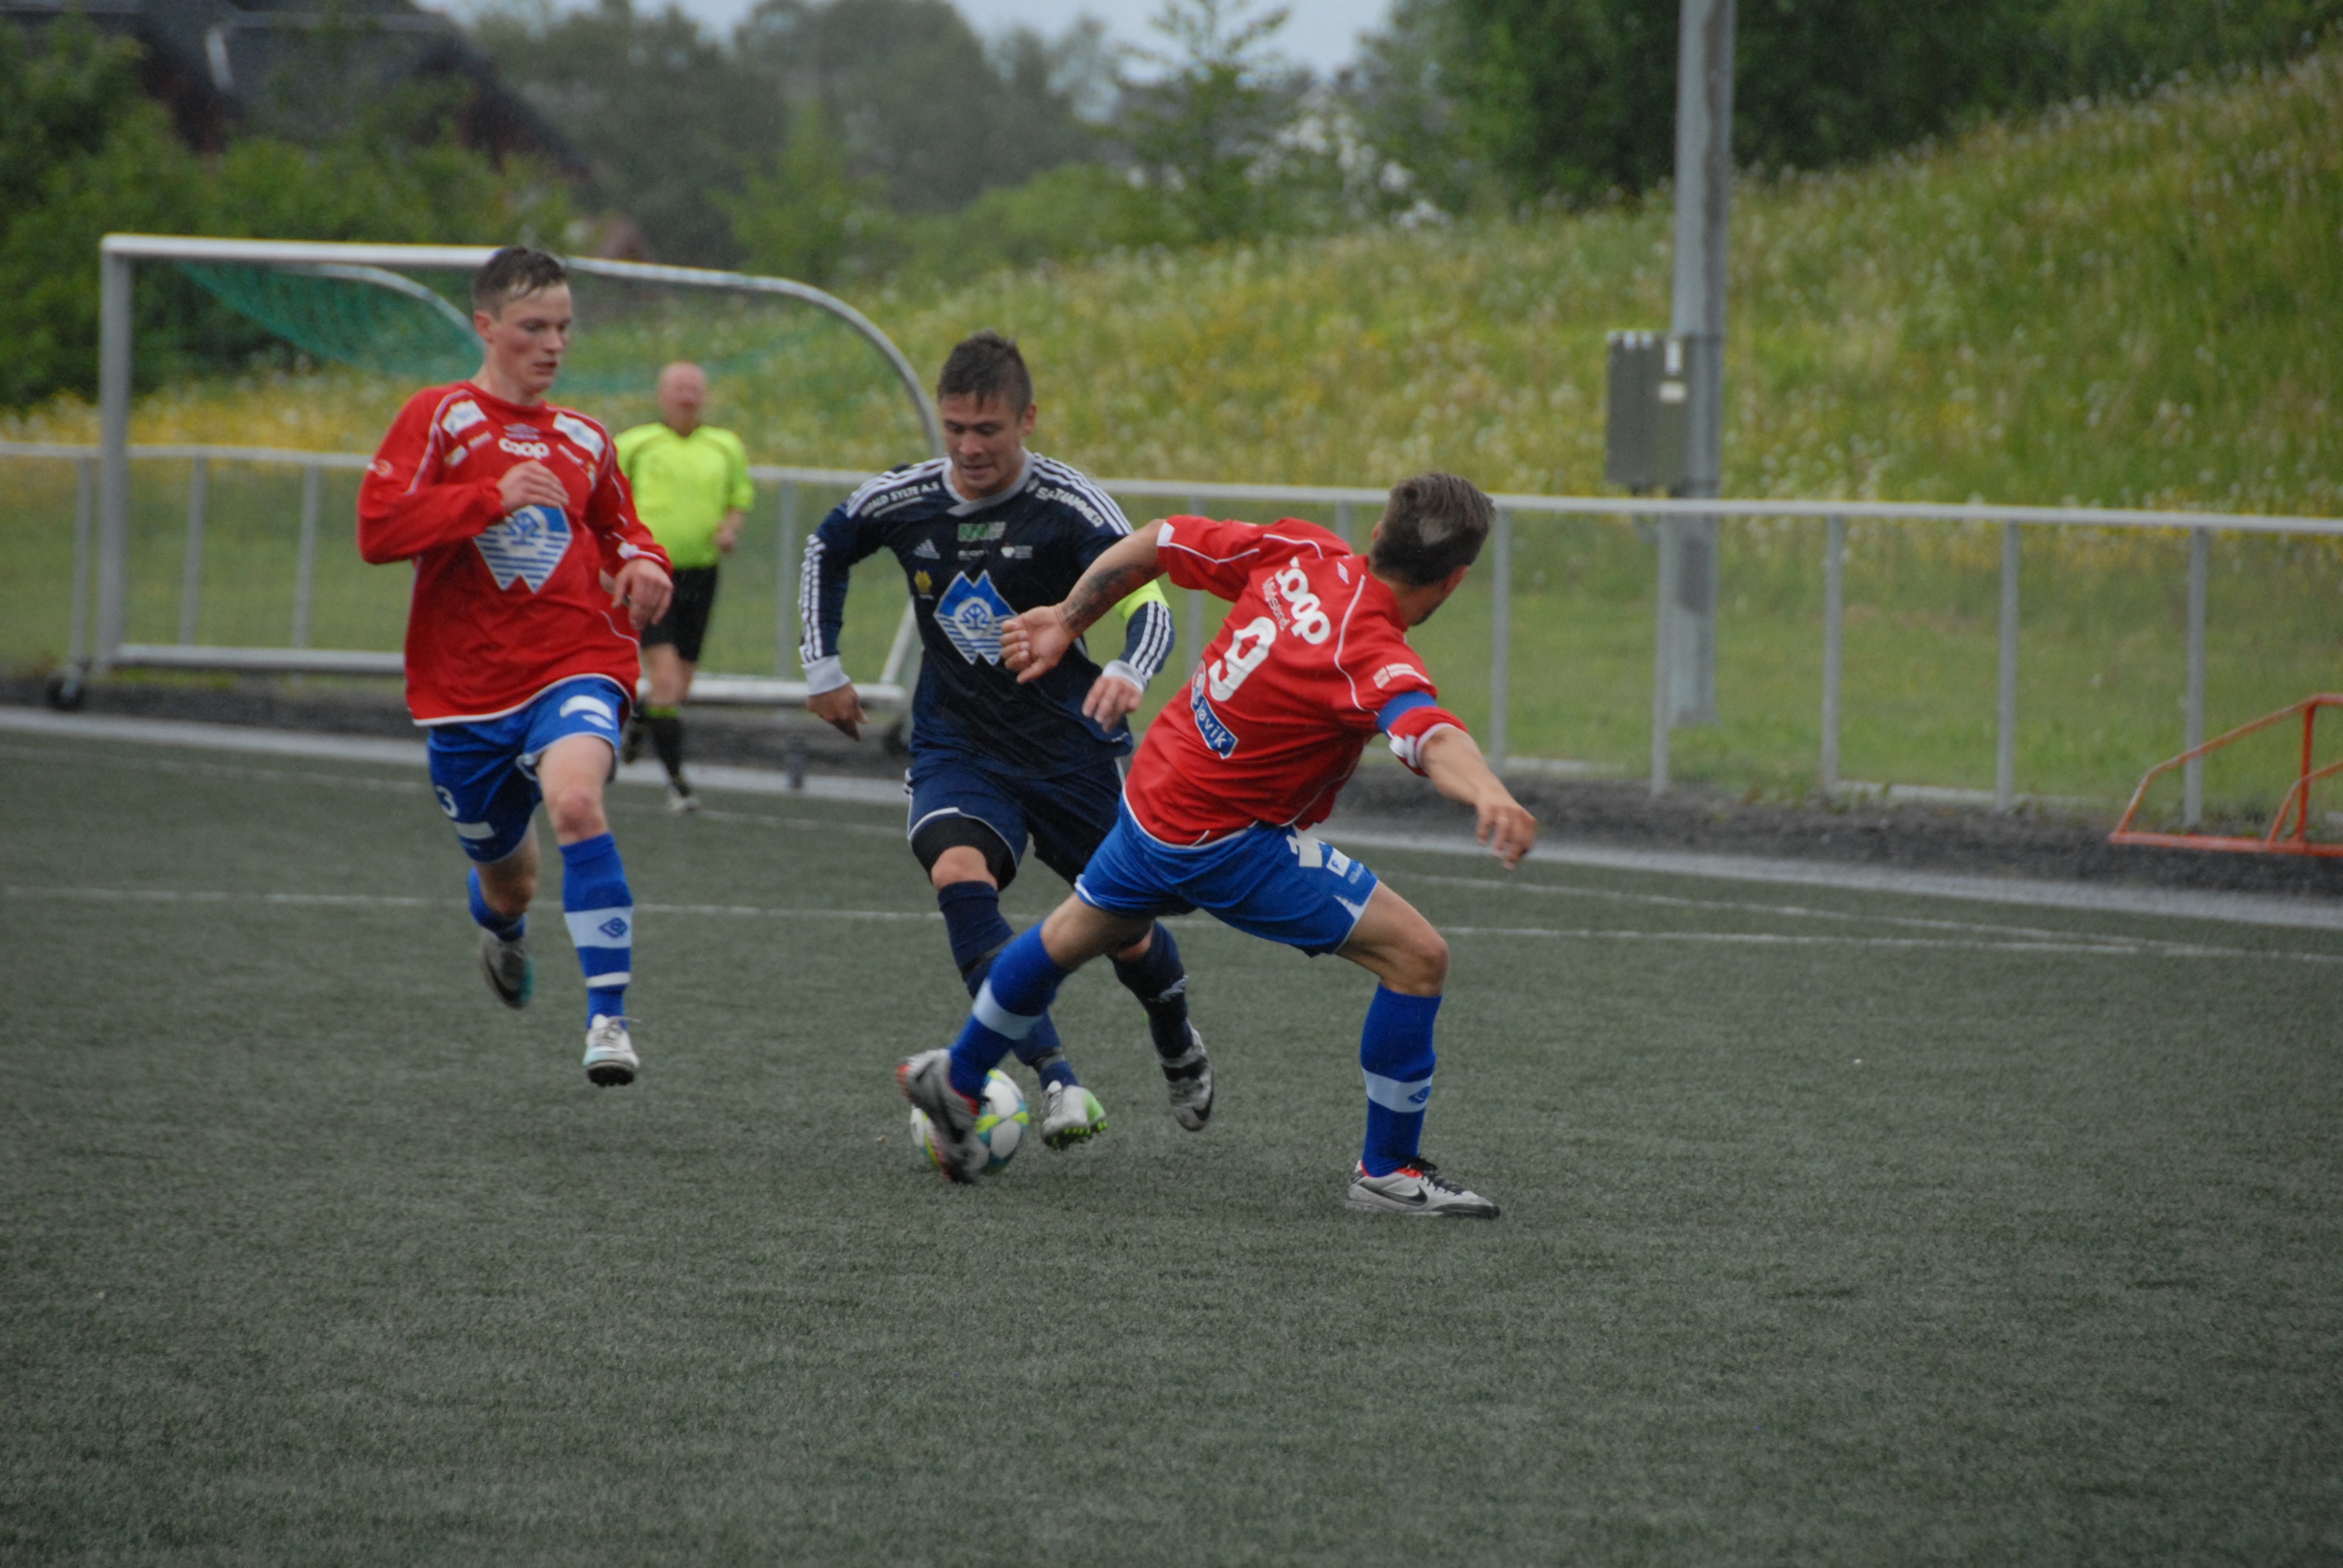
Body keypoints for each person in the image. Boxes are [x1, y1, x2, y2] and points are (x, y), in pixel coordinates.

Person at [897, 472, 1539, 1217]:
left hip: (1154, 794)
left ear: (1375, 535)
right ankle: (1388, 1172)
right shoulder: (1368, 652)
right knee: (1418, 958)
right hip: (1224, 842)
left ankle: (959, 1080)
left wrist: (1069, 619)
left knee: (1065, 938)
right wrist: (1489, 792)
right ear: (1455, 579)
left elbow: (1158, 540)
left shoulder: (1303, 550)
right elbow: (1428, 733)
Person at [802, 331, 1205, 1151]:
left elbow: (1148, 597)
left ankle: (1175, 1036)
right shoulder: (905, 499)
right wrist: (823, 666)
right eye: (953, 428)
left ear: (1027, 420)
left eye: (987, 429)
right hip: (958, 747)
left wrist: (1128, 667)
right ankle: (1057, 1079)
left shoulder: (1070, 504)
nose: (968, 448)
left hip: (1067, 750)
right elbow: (824, 547)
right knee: (958, 873)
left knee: (1127, 934)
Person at [358, 245, 674, 1088]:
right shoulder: (439, 417)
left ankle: (608, 1020)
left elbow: (623, 531)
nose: (554, 345)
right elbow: (378, 530)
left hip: (576, 659)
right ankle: (502, 931)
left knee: (576, 803)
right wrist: (489, 499)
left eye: (564, 327)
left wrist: (647, 565)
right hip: (464, 693)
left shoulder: (585, 437)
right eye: (534, 327)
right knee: (511, 886)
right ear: (487, 326)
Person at [615, 362, 753, 813]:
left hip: (701, 575)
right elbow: (608, 500)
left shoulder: (724, 446)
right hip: (651, 573)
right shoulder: (635, 444)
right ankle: (678, 786)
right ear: (662, 395)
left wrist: (731, 529)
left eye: (694, 388)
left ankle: (640, 721)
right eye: (678, 388)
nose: (687, 396)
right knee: (667, 677)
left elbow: (738, 500)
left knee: (679, 684)